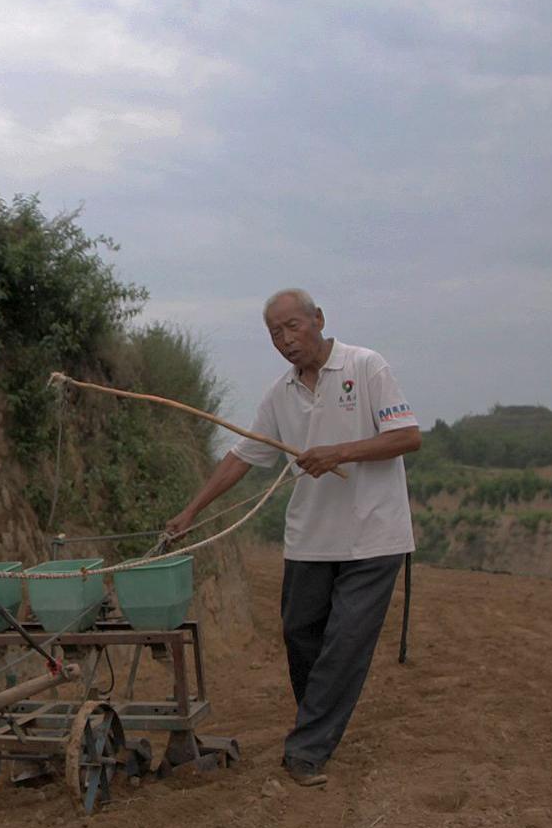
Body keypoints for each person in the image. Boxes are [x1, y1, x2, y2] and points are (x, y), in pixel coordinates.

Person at [164, 289, 420, 788]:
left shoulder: (366, 367)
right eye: (275, 333)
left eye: (293, 327)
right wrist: (190, 511)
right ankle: (317, 724)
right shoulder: (281, 393)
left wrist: (337, 453)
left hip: (374, 538)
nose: (286, 340)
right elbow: (242, 456)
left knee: (345, 643)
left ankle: (306, 749)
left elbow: (407, 436)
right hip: (309, 541)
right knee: (300, 635)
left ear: (319, 319)